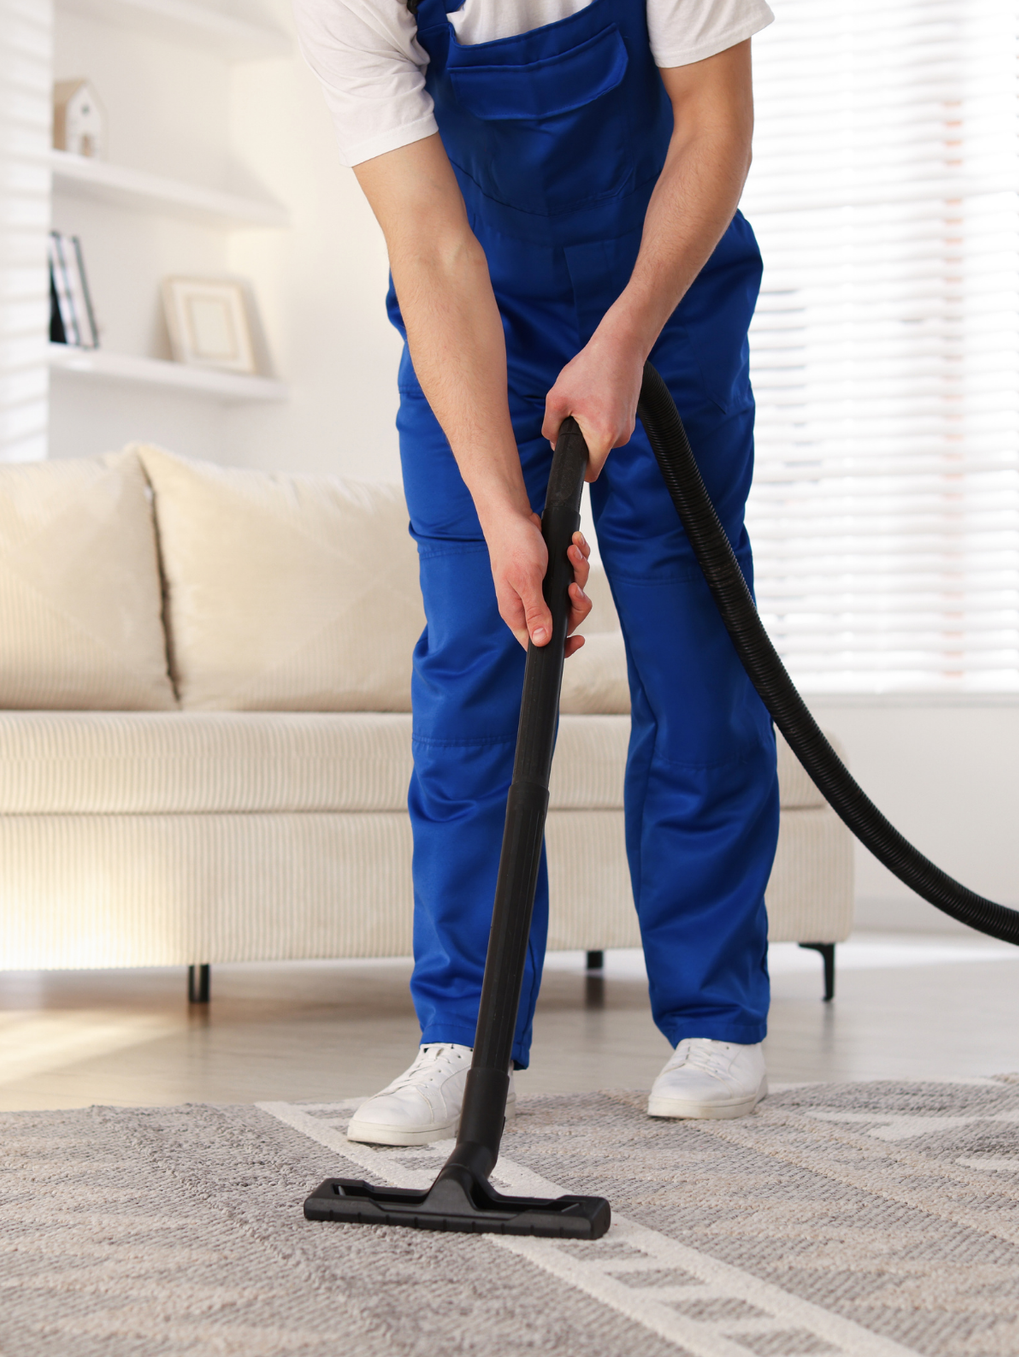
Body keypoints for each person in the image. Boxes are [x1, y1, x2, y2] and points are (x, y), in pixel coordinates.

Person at [292, 0, 779, 1145]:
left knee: (693, 649)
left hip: (671, 290)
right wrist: (505, 512)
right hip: (476, 317)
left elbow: (715, 130)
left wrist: (624, 342)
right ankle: (461, 1035)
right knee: (477, 662)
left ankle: (718, 1022)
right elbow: (429, 242)